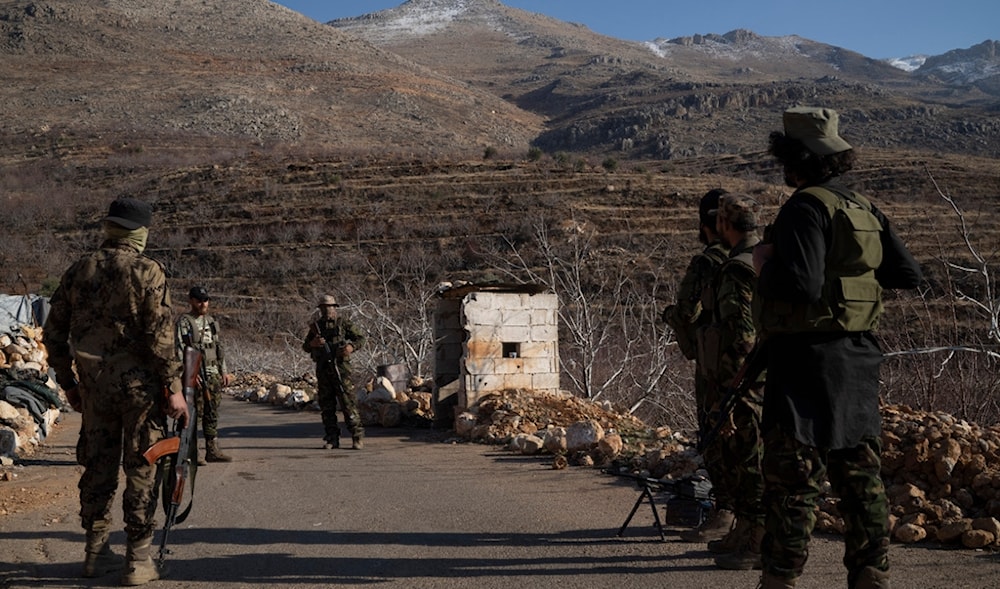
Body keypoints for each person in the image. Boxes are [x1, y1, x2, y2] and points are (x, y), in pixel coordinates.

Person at [753, 107, 922, 589]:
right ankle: (871, 575)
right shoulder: (863, 208)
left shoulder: (806, 207)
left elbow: (801, 286)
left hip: (804, 362)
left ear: (795, 161)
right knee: (861, 479)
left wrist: (763, 263)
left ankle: (780, 578)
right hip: (858, 359)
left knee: (794, 482)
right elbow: (907, 275)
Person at [43, 197, 188, 586]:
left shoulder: (80, 270)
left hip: (94, 390)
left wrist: (69, 382)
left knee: (98, 468)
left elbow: (53, 333)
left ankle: (95, 552)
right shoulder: (147, 271)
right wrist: (174, 388)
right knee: (142, 466)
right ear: (140, 232)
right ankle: (138, 560)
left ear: (110, 227)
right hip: (140, 392)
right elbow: (161, 336)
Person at [661, 188, 734, 543]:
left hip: (717, 366)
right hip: (762, 364)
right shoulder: (756, 256)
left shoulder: (707, 262)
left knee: (716, 435)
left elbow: (686, 312)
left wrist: (673, 319)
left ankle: (725, 513)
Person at [700, 193, 766, 570]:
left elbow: (742, 334)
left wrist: (731, 382)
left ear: (725, 225)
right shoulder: (757, 259)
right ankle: (744, 530)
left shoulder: (740, 267)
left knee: (749, 456)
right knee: (740, 456)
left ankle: (757, 541)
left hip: (745, 381)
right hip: (748, 377)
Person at [176, 285, 234, 464]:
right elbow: (179, 349)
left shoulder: (210, 321)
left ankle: (212, 449)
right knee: (194, 414)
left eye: (205, 300)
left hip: (213, 373)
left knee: (212, 412)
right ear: (191, 301)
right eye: (199, 300)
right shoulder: (185, 322)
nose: (203, 303)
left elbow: (218, 347)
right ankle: (191, 451)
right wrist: (189, 372)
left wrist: (223, 370)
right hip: (195, 374)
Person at [303, 295, 366, 450]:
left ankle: (356, 436)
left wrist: (351, 347)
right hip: (324, 370)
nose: (327, 310)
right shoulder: (317, 327)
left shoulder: (344, 324)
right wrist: (313, 343)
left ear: (335, 307)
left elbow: (361, 338)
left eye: (330, 307)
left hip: (341, 370)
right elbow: (305, 346)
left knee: (348, 403)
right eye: (324, 308)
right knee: (327, 406)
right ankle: (332, 438)